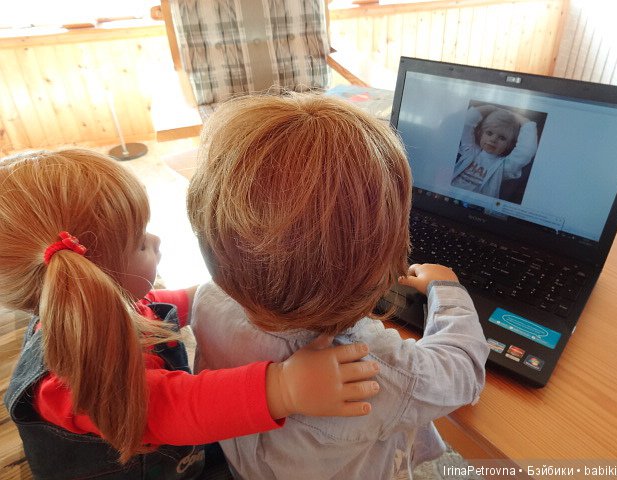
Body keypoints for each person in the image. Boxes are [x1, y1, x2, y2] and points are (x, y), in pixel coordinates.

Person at [0, 149, 381, 480]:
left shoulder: (100, 305)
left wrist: (227, 285)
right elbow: (175, 407)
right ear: (95, 277)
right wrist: (284, 387)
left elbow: (162, 303)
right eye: (140, 242)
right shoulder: (70, 387)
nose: (156, 240)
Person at [187, 93, 490, 479]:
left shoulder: (207, 299)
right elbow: (462, 371)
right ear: (380, 261)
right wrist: (448, 290)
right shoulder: (366, 370)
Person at [451, 104, 538, 199]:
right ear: (481, 133)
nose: (493, 139)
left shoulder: (504, 166)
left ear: (509, 145)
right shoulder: (470, 150)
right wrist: (492, 108)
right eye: (489, 133)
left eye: (502, 138)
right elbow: (466, 123)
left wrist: (524, 121)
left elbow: (526, 151)